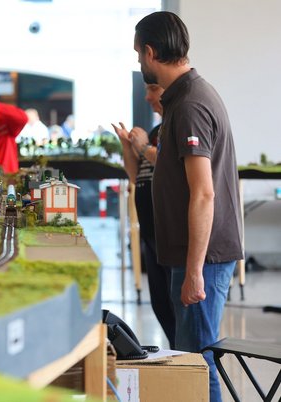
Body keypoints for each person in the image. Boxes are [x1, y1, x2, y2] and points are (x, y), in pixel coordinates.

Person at [134, 12, 243, 402]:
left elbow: (203, 194)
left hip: (203, 257)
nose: (139, 62)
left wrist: (194, 271)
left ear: (150, 52)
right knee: (190, 359)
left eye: (138, 54)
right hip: (193, 254)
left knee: (196, 364)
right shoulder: (181, 99)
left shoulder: (190, 105)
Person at [112, 83, 175, 349]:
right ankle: (176, 346)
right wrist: (128, 146)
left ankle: (185, 352)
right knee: (160, 302)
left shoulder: (176, 128)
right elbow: (135, 175)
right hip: (150, 232)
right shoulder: (155, 131)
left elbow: (171, 164)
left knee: (175, 303)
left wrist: (144, 146)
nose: (148, 97)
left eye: (153, 89)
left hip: (170, 233)